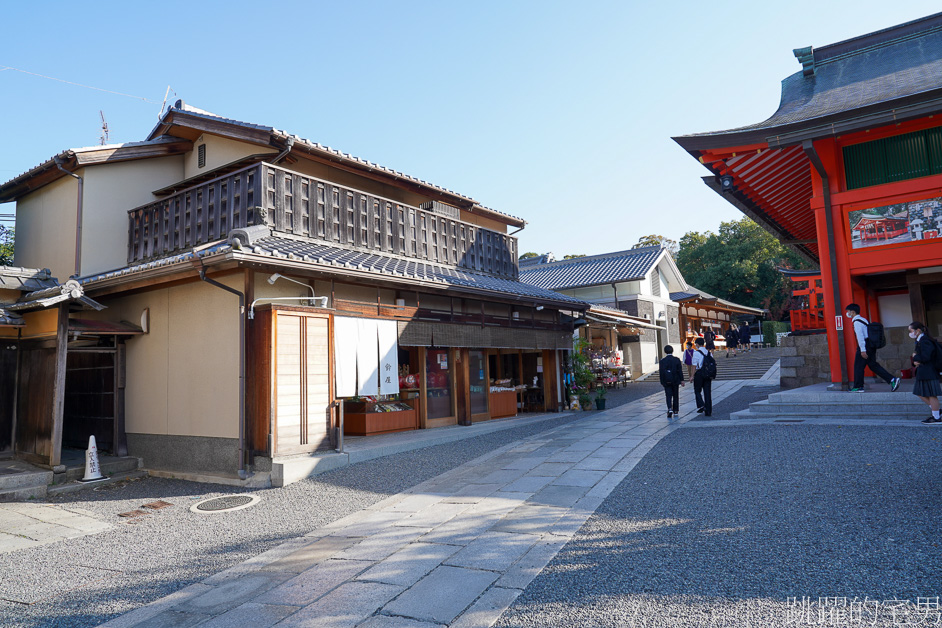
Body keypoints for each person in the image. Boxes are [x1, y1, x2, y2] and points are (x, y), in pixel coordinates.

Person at [846, 303, 900, 393]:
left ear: (853, 312)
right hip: (870, 345)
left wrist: (862, 350)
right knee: (873, 365)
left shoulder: (856, 322)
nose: (847, 313)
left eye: (848, 311)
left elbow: (860, 337)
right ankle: (892, 380)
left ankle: (858, 387)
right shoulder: (863, 319)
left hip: (864, 346)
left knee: (858, 366)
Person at [908, 321, 941, 425]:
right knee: (920, 393)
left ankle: (936, 417)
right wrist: (915, 361)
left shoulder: (925, 340)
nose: (910, 333)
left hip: (928, 371)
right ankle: (937, 412)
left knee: (931, 395)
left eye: (911, 330)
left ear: (918, 330)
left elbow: (926, 357)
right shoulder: (920, 340)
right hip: (924, 371)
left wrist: (915, 357)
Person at [658, 345, 685, 418]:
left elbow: (661, 372)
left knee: (668, 395)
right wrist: (682, 380)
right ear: (672, 351)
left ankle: (669, 408)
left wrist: (662, 381)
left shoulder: (662, 361)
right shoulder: (676, 360)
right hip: (675, 380)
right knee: (675, 395)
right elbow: (680, 371)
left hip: (666, 380)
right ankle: (676, 410)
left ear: (665, 351)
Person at [690, 337, 712, 416]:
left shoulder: (696, 353)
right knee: (707, 392)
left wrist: (692, 376)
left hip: (699, 373)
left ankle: (702, 405)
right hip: (708, 374)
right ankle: (708, 410)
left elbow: (694, 365)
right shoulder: (709, 353)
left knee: (697, 390)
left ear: (697, 344)